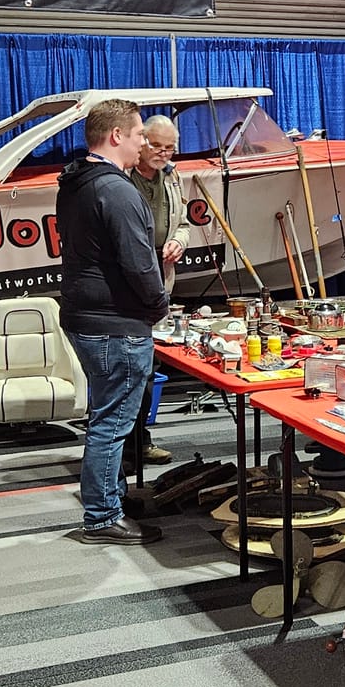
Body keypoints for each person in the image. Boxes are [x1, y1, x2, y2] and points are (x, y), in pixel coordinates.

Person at [57, 98, 171, 545]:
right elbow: (139, 263)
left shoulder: (76, 181)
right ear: (117, 135)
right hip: (115, 323)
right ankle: (103, 516)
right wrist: (158, 305)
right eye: (140, 134)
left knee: (106, 415)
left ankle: (112, 500)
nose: (144, 142)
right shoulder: (117, 191)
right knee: (111, 422)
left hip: (87, 318)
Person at [128, 113, 190, 465]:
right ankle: (124, 446)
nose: (163, 153)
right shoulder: (122, 177)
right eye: (156, 146)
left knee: (149, 365)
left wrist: (179, 241)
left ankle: (140, 441)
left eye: (170, 148)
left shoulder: (173, 176)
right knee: (130, 368)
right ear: (141, 142)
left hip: (160, 281)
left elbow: (184, 223)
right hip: (128, 285)